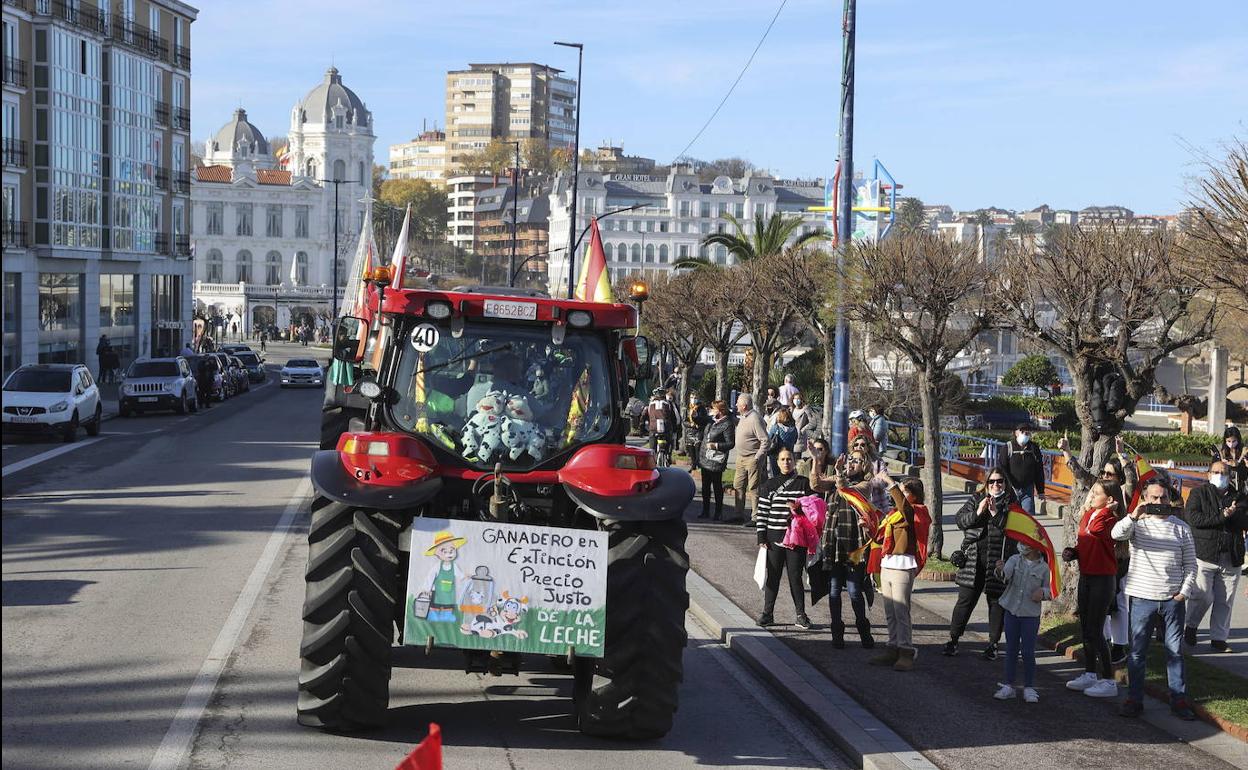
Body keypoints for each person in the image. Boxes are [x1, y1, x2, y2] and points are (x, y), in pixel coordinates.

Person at [1113, 478, 1199, 720]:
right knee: (1138, 652)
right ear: (1145, 499)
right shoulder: (1138, 524)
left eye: (1162, 497)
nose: (1159, 502)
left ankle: (1178, 700)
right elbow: (1115, 533)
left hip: (1173, 599)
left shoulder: (1181, 527)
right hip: (1142, 598)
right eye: (1153, 497)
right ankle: (1134, 699)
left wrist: (1184, 592)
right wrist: (1133, 515)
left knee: (1175, 652)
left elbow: (1191, 565)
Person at [1057, 434, 1138, 663]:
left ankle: (1118, 645)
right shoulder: (1096, 498)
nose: (1104, 477)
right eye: (1103, 473)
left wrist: (1123, 455)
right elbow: (1083, 476)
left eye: (1109, 474)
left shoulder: (1121, 495)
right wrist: (1067, 453)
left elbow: (1131, 478)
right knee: (1093, 621)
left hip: (1116, 559)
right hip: (1091, 567)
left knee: (1118, 602)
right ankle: (1098, 647)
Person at [944, 468, 1019, 659]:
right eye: (992, 482)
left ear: (1005, 483)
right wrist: (979, 511)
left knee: (996, 603)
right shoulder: (976, 498)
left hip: (997, 560)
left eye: (1000, 481)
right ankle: (953, 640)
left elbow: (1013, 530)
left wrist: (995, 513)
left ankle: (993, 645)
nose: (996, 485)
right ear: (986, 484)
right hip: (973, 558)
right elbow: (960, 521)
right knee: (965, 601)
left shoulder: (1011, 503)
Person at [821, 451, 889, 649]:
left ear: (865, 466)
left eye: (857, 461)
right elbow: (815, 483)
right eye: (850, 459)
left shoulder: (865, 484)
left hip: (854, 546)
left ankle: (864, 631)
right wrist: (817, 459)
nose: (852, 463)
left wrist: (838, 472)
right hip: (834, 544)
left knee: (854, 592)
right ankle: (837, 632)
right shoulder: (836, 479)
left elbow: (845, 490)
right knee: (833, 592)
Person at [1063, 480, 1124, 699]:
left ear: (1109, 499)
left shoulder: (1109, 519)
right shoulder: (1089, 515)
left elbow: (1097, 531)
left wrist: (1107, 509)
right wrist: (1073, 552)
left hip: (1103, 578)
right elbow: (1085, 539)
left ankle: (1108, 679)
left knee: (1097, 630)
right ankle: (1089, 672)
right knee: (1086, 628)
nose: (1091, 496)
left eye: (1096, 493)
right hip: (1087, 576)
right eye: (1092, 492)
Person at [1182, 459, 1248, 652]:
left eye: (1224, 472)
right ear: (1209, 474)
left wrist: (1234, 514)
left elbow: (1244, 522)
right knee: (1202, 595)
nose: (1221, 476)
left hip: (1231, 555)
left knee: (1225, 600)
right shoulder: (1198, 493)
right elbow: (1193, 518)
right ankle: (1191, 625)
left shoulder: (1239, 497)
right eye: (1217, 472)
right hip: (1205, 554)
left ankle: (1219, 638)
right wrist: (1222, 516)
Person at [869, 477, 930, 671]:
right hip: (888, 563)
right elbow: (880, 535)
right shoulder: (894, 514)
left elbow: (907, 510)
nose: (899, 495)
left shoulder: (919, 510)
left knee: (901, 610)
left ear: (914, 494)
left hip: (904, 564)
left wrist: (890, 482)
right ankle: (893, 647)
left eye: (904, 491)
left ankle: (906, 650)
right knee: (889, 611)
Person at [756, 449, 815, 629]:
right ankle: (768, 613)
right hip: (774, 537)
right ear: (777, 462)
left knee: (795, 576)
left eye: (789, 459)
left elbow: (812, 511)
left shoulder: (804, 484)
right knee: (772, 577)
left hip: (796, 539)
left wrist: (797, 509)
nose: (786, 462)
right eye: (782, 459)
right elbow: (762, 512)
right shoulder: (768, 485)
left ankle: (801, 615)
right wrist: (761, 536)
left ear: (794, 461)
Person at [992, 542, 1051, 703]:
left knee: (1027, 651)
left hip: (1030, 615)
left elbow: (1051, 589)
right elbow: (1005, 576)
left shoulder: (1044, 568)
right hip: (1012, 611)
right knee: (1011, 649)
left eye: (1026, 543)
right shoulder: (1014, 559)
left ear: (1036, 547)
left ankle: (1029, 687)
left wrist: (1043, 592)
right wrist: (1000, 569)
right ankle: (1008, 685)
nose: (1022, 546)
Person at [731, 393, 770, 525]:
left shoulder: (755, 419)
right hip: (741, 458)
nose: (736, 405)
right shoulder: (744, 417)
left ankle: (755, 517)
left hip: (752, 458)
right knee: (738, 485)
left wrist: (758, 457)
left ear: (744, 405)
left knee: (754, 488)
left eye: (738, 403)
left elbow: (765, 440)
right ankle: (738, 514)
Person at [698, 400, 734, 520]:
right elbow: (698, 420)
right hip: (705, 457)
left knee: (717, 486)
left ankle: (718, 512)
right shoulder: (711, 420)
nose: (711, 411)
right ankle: (705, 510)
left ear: (721, 411)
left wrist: (716, 445)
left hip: (716, 459)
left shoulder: (727, 424)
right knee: (705, 486)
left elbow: (730, 443)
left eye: (714, 409)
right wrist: (693, 414)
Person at [1002, 424, 1045, 516]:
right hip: (1011, 489)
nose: (1025, 434)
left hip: (1028, 490)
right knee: (1011, 516)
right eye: (1022, 431)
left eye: (1027, 432)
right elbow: (1002, 468)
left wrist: (1040, 490)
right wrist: (1007, 485)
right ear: (1016, 433)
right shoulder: (1008, 447)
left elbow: (1039, 470)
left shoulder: (1034, 448)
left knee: (1028, 517)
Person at [646, 387, 679, 462]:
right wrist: (675, 428)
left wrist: (643, 428)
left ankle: (652, 458)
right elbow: (676, 417)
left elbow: (646, 416)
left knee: (652, 448)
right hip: (666, 427)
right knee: (669, 441)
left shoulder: (650, 404)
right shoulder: (669, 403)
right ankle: (668, 455)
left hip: (653, 428)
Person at [766, 408, 798, 479]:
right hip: (789, 453)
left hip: (775, 454)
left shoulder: (776, 427)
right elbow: (795, 440)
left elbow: (769, 438)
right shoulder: (794, 429)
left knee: (776, 474)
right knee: (788, 472)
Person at [683, 394, 710, 473]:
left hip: (698, 431)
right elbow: (684, 421)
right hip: (690, 431)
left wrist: (698, 421)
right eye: (692, 397)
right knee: (691, 450)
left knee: (698, 448)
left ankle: (698, 464)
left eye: (695, 398)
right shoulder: (688, 408)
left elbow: (705, 419)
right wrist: (690, 424)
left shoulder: (702, 408)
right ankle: (693, 465)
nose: (693, 399)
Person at [791, 393, 813, 462]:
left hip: (799, 436)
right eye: (795, 399)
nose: (796, 400)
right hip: (791, 435)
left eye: (798, 399)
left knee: (797, 456)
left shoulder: (805, 409)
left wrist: (803, 430)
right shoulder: (791, 409)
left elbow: (811, 422)